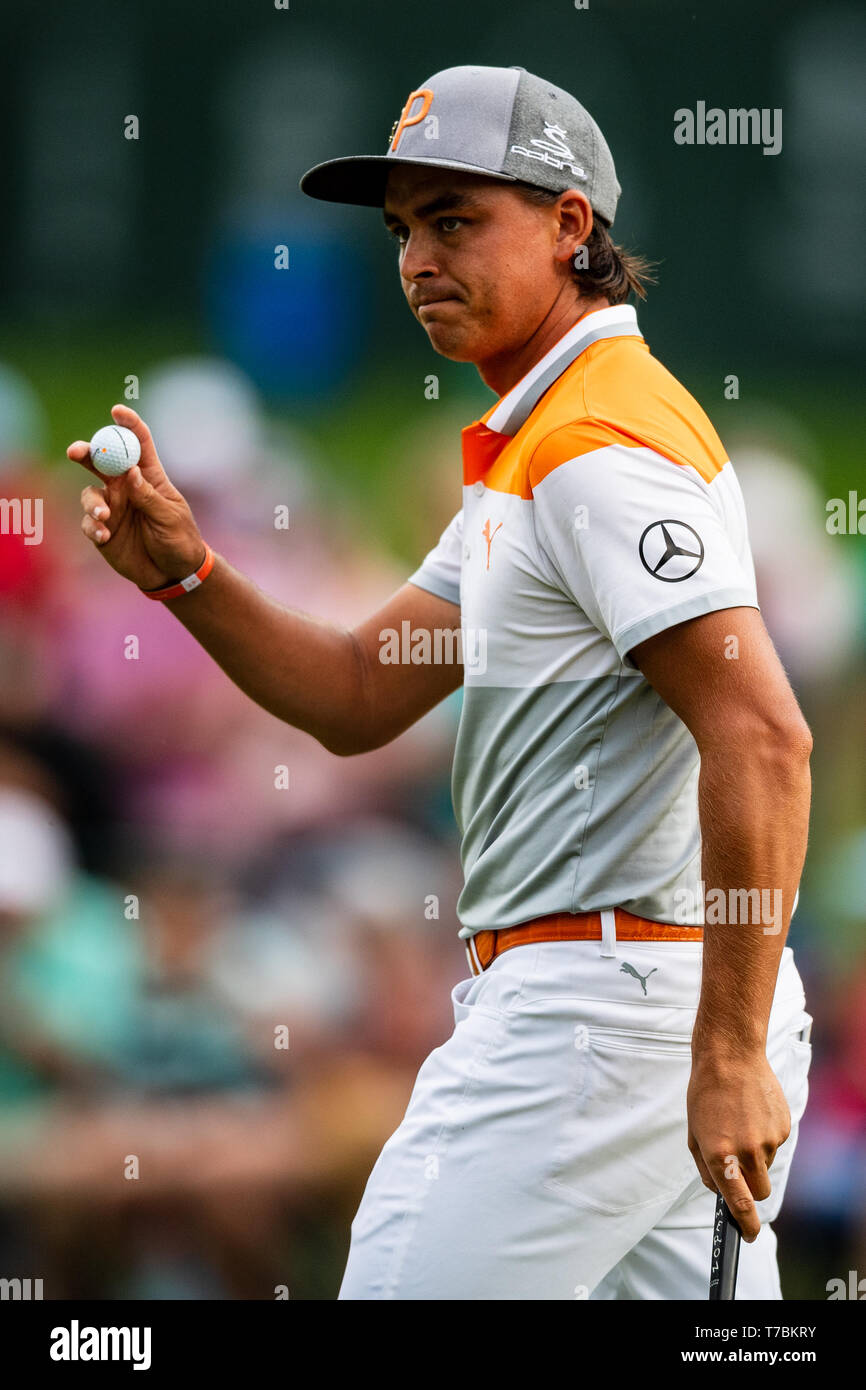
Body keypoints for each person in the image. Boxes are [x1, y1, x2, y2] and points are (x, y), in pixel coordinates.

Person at [70, 64, 813, 1299]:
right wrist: (187, 575)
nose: (417, 257)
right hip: (639, 1000)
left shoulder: (592, 447)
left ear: (572, 226)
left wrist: (727, 1048)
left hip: (599, 1014)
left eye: (456, 219)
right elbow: (362, 688)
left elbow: (765, 738)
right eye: (404, 228)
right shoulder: (539, 441)